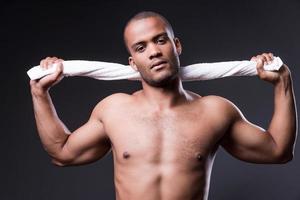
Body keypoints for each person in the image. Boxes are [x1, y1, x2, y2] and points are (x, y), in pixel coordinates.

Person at [30, 11, 297, 200]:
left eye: (160, 40)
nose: (154, 52)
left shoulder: (214, 111)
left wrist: (282, 83)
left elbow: (278, 151)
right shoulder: (113, 110)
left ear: (176, 45)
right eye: (141, 47)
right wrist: (40, 93)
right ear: (133, 62)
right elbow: (62, 152)